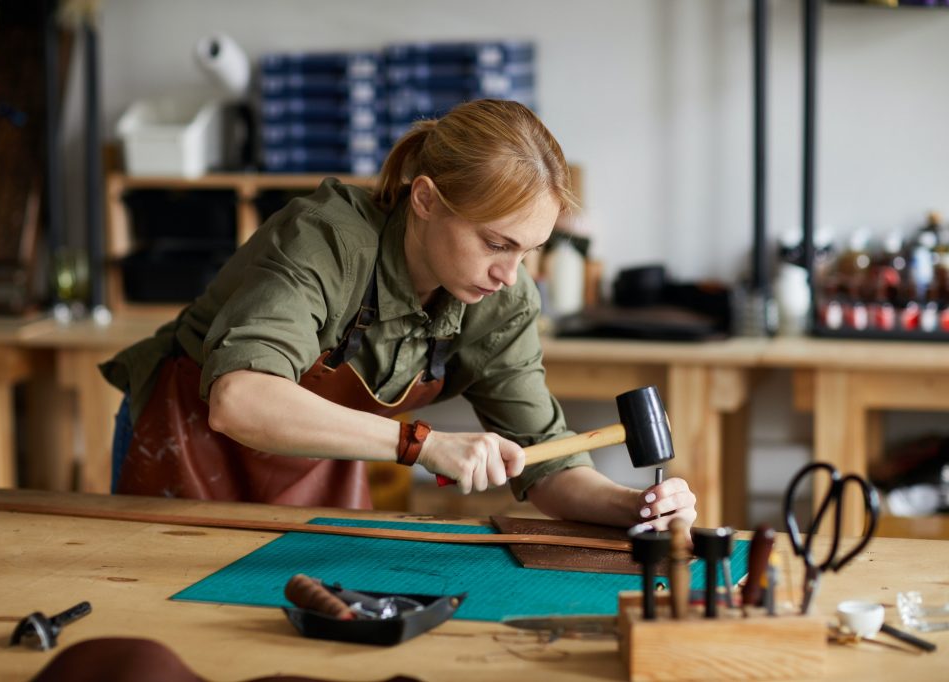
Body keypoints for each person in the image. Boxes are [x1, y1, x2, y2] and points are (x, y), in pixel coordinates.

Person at [100, 98, 697, 529]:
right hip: (189, 441)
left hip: (315, 465)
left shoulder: (503, 301)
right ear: (427, 199)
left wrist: (634, 507)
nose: (510, 275)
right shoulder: (326, 241)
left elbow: (548, 460)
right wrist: (423, 444)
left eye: (529, 251)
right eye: (496, 244)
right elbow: (240, 399)